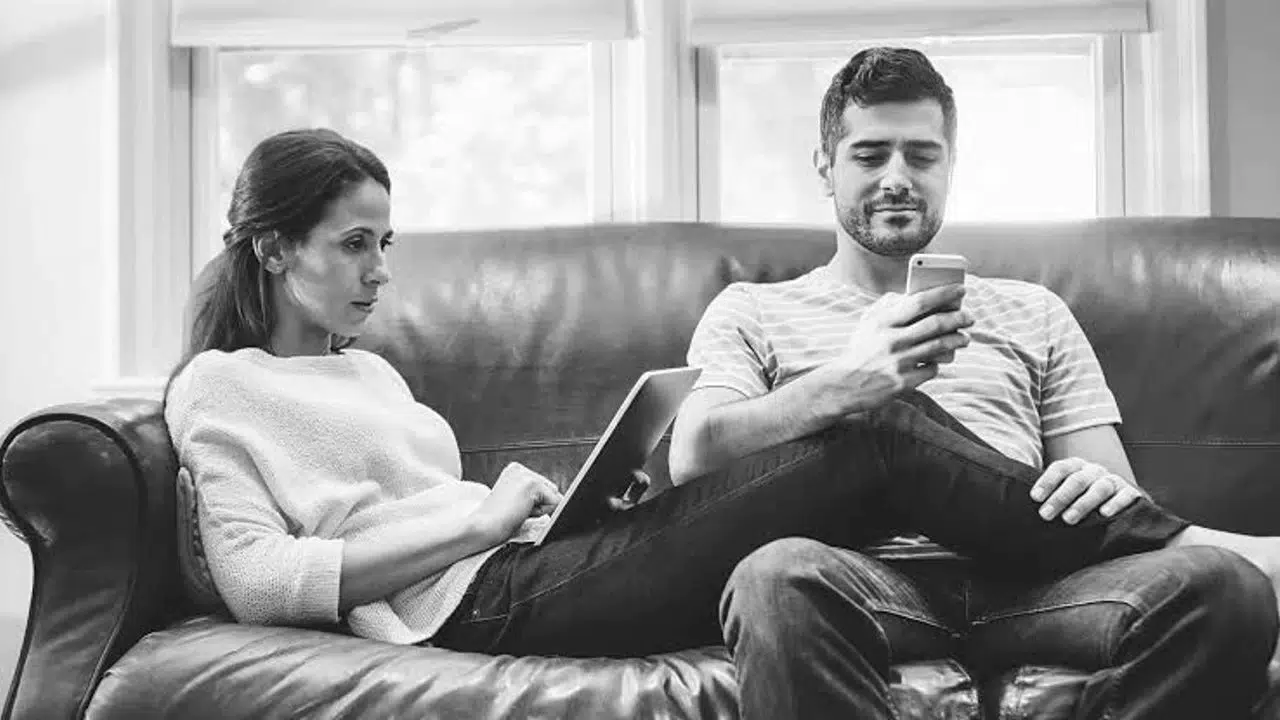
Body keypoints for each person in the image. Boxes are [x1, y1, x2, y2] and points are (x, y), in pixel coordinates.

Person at [164, 126, 1275, 720]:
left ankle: (1184, 557)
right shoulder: (218, 387)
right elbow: (259, 582)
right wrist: (475, 524)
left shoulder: (368, 374)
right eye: (355, 245)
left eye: (386, 244)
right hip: (480, 601)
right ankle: (1200, 545)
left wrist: (571, 508)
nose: (379, 271)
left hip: (522, 563)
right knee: (874, 426)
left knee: (864, 433)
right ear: (274, 247)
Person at [669, 46, 1280, 719]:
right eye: (870, 155)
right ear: (825, 167)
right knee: (773, 577)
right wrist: (844, 384)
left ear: (950, 166)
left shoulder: (1033, 310)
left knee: (1226, 585)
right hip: (861, 581)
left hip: (1036, 584)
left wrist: (1096, 483)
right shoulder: (754, 309)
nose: (897, 178)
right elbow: (695, 452)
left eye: (921, 156)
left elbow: (1111, 493)